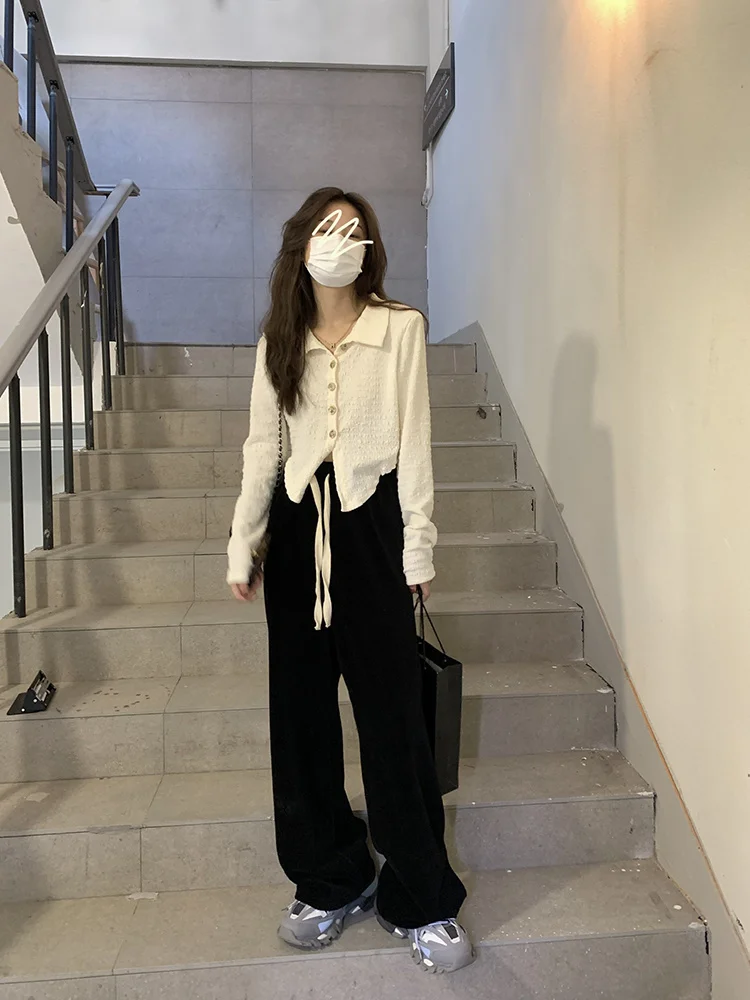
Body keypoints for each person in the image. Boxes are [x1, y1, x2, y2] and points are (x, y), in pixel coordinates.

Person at [227, 187, 474, 974]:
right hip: (298, 530)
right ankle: (331, 876)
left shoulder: (400, 328)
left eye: (353, 229)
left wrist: (418, 550)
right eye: (326, 227)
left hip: (373, 528)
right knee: (300, 719)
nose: (340, 239)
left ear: (368, 248)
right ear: (302, 243)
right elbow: (263, 448)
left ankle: (421, 893)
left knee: (393, 720)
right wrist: (245, 543)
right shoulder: (279, 337)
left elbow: (416, 444)